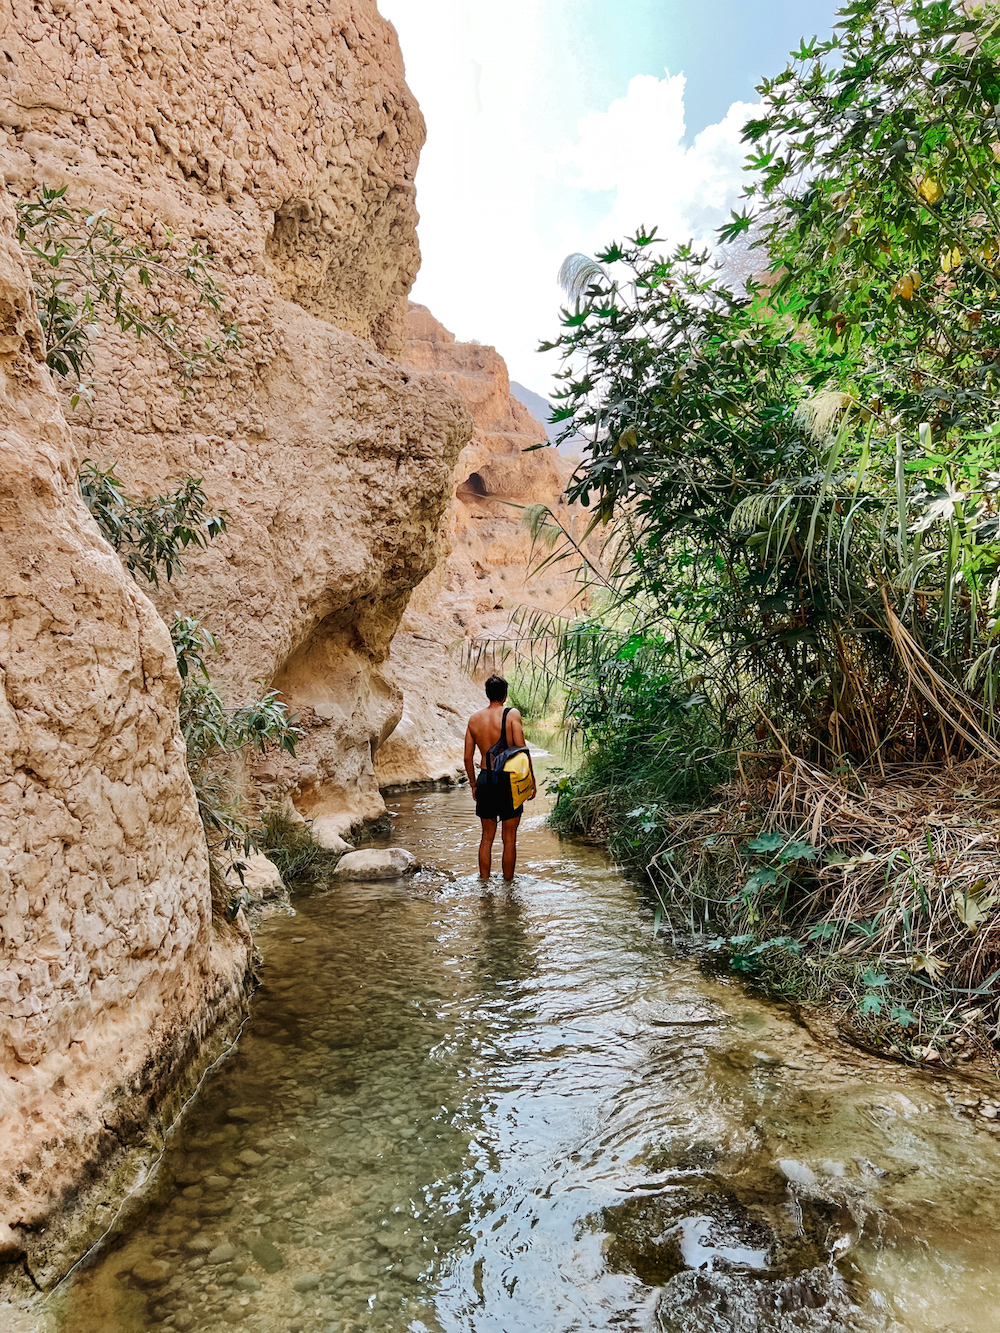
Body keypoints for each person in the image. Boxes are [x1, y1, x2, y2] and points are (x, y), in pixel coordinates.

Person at [464, 674, 535, 882]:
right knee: (509, 838)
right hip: (509, 780)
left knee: (486, 837)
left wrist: (474, 784)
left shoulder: (474, 720)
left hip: (485, 778)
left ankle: (484, 886)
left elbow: (467, 758)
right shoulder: (511, 715)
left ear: (487, 695)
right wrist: (531, 782)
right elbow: (522, 751)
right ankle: (508, 886)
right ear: (505, 695)